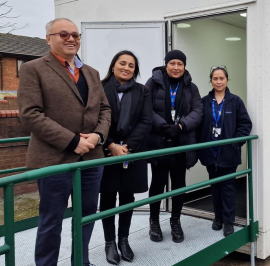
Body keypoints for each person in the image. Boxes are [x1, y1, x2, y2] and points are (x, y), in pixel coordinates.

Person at [17, 18, 111, 266]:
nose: (71, 39)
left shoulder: (92, 73)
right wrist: (71, 141)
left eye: (75, 35)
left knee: (87, 216)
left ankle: (81, 261)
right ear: (48, 39)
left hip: (91, 159)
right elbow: (30, 114)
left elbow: (104, 109)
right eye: (63, 34)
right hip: (54, 160)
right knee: (51, 220)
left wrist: (98, 136)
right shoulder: (33, 68)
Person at [99, 51, 152, 264]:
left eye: (131, 65)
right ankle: (109, 243)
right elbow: (95, 120)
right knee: (108, 198)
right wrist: (112, 145)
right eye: (122, 63)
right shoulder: (100, 88)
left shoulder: (143, 91)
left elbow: (146, 121)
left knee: (128, 198)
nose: (126, 68)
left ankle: (124, 240)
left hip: (132, 152)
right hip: (106, 151)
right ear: (113, 66)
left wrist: (126, 147)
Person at [145, 50, 203, 243]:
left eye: (180, 63)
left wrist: (180, 126)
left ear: (184, 66)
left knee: (179, 184)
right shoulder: (153, 83)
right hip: (159, 142)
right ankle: (154, 222)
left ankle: (175, 221)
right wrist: (163, 126)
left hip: (181, 142)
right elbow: (146, 108)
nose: (176, 67)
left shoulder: (191, 87)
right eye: (173, 63)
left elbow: (198, 110)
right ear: (166, 64)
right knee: (157, 183)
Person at [197, 66, 252, 237]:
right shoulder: (204, 101)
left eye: (222, 78)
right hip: (210, 153)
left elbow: (245, 124)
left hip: (228, 154)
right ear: (211, 80)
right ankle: (218, 218)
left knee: (228, 187)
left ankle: (229, 221)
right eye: (215, 78)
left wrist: (236, 144)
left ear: (227, 80)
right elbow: (198, 125)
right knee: (215, 186)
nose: (218, 82)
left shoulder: (235, 101)